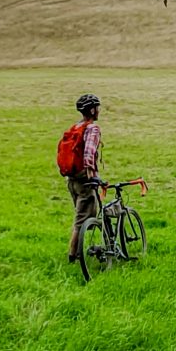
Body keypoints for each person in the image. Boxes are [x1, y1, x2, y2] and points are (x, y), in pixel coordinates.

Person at [67, 92, 103, 263]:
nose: (99, 111)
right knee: (81, 220)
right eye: (97, 107)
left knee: (81, 215)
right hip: (83, 180)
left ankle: (78, 252)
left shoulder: (76, 127)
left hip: (72, 180)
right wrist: (91, 174)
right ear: (92, 110)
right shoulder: (92, 128)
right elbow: (89, 151)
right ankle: (73, 255)